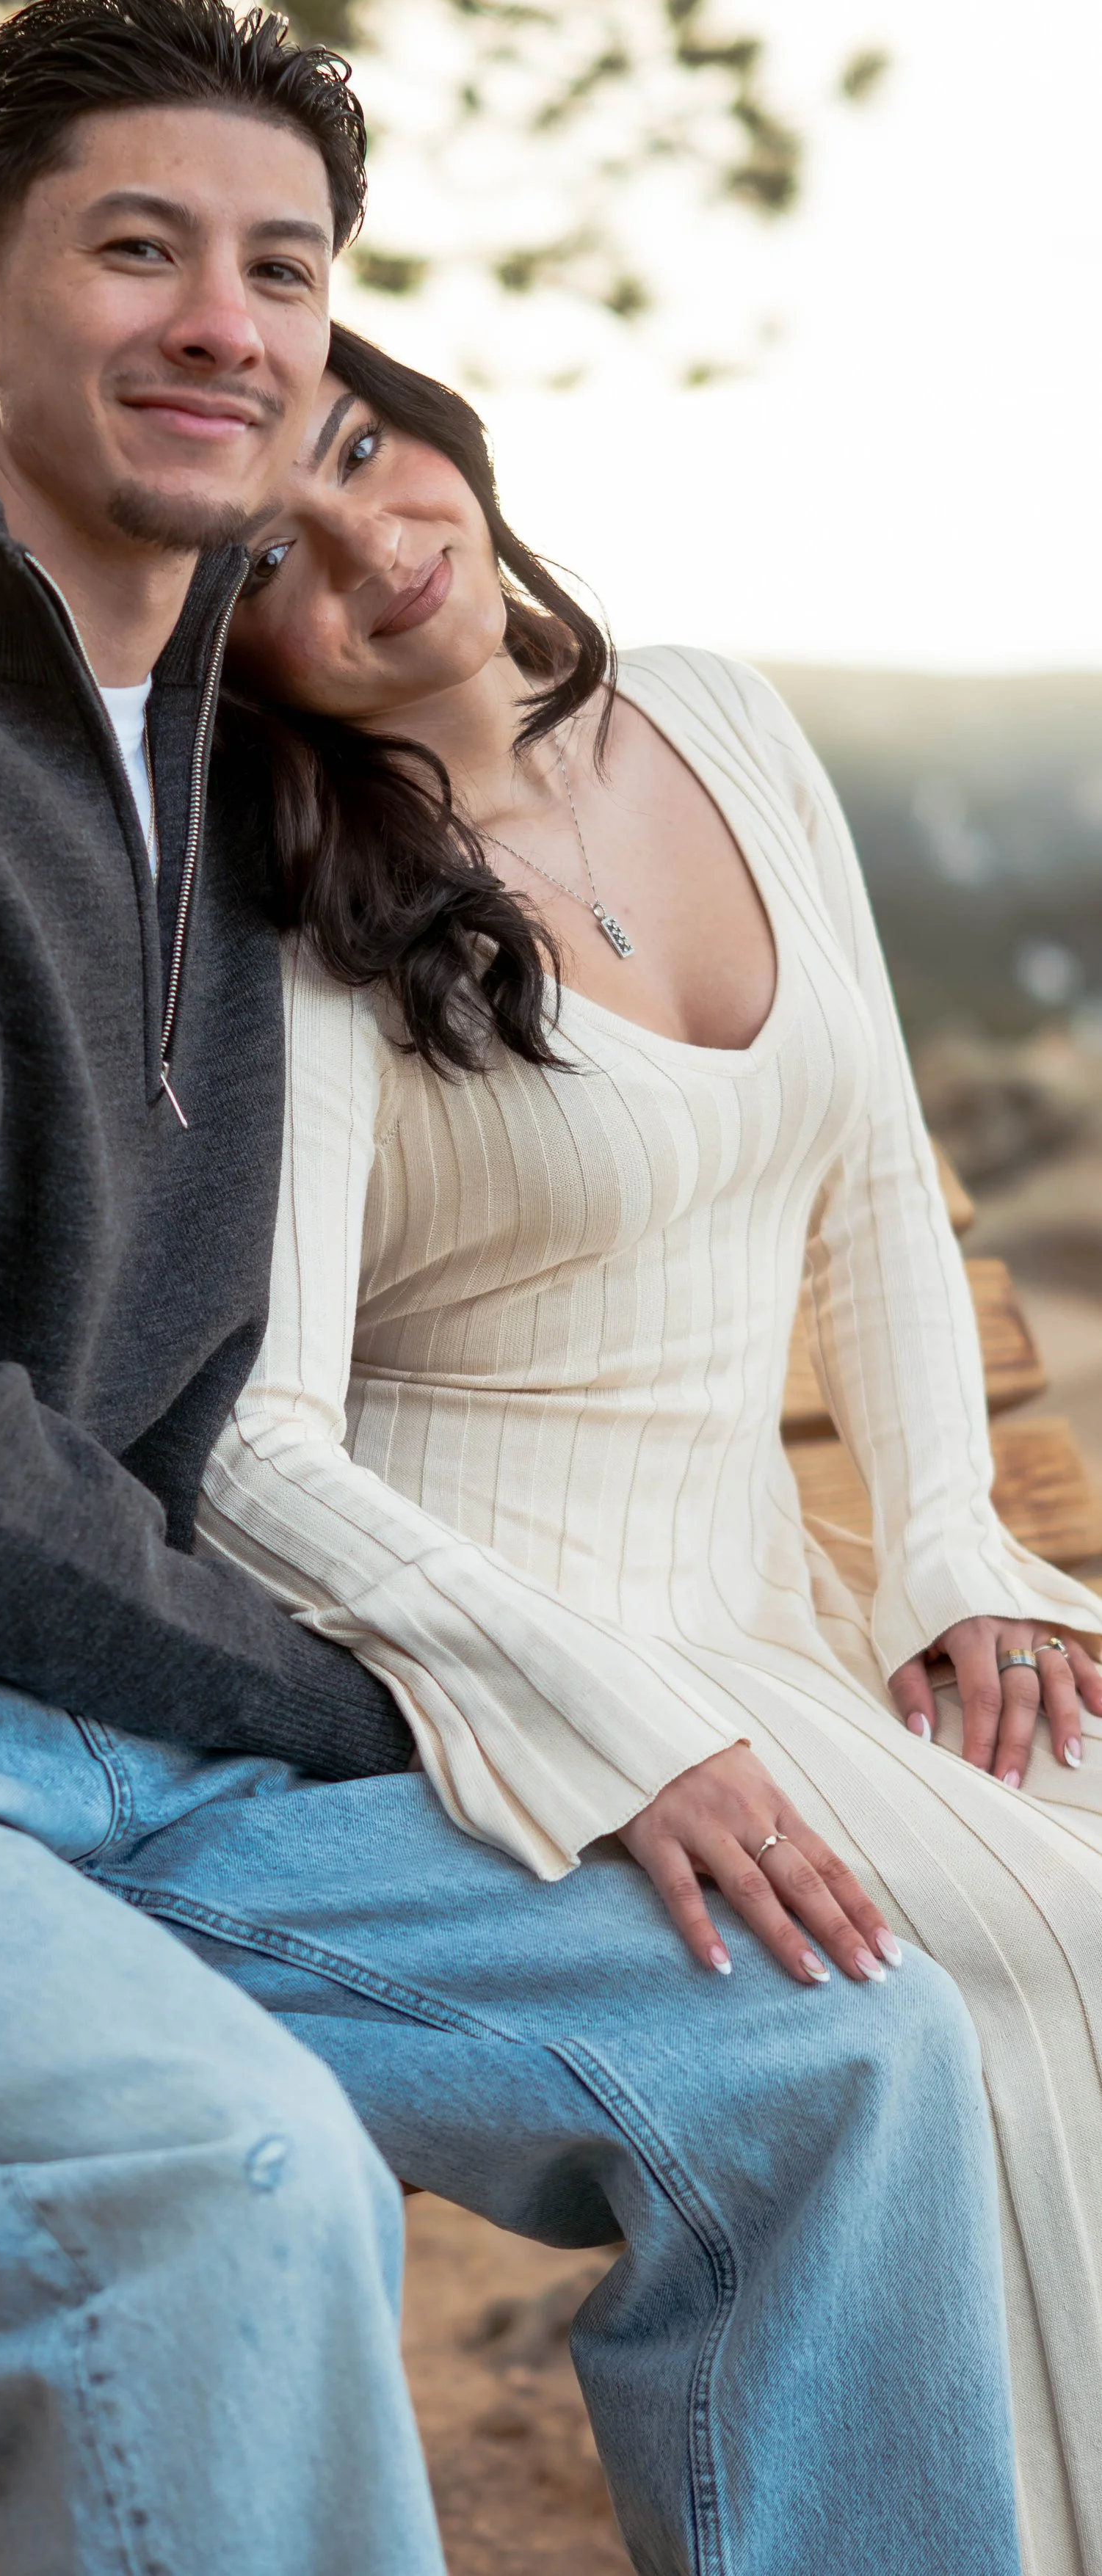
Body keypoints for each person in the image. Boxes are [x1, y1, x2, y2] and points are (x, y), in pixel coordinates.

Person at [0, 0, 1021, 2575]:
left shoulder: (211, 764)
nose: (221, 321)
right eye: (134, 247)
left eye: (280, 265)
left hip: (119, 1750)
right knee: (231, 2162)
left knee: (830, 2050)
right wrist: (400, 1708)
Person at [204, 315, 1102, 2575]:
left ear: (438, 428)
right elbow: (249, 1442)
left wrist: (947, 1551)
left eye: (358, 444)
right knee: (1021, 1945)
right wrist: (603, 1726)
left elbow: (879, 1167)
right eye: (273, 559)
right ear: (246, 664)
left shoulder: (716, 713)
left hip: (773, 1597)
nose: (370, 542)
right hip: (534, 1674)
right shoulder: (305, 920)